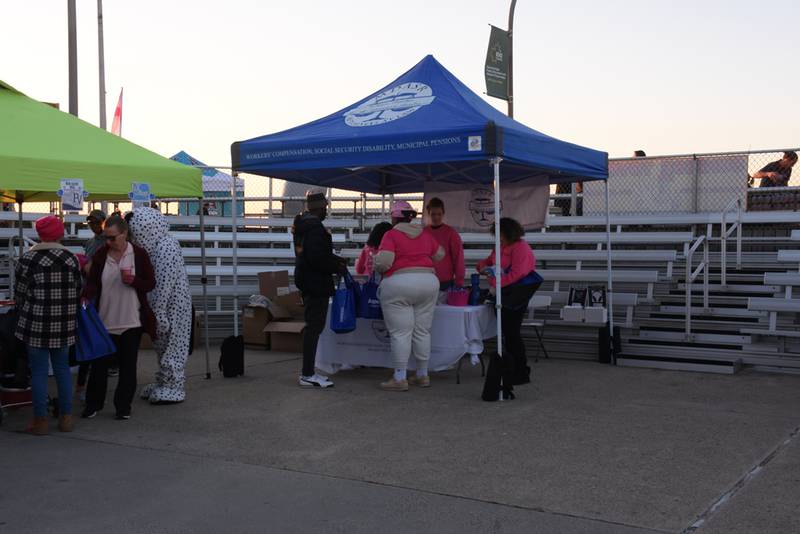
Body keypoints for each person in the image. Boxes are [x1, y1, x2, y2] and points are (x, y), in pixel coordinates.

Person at [81, 215, 156, 420]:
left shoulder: (138, 255)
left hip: (132, 321)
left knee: (128, 368)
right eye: (106, 237)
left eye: (112, 237)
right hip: (104, 321)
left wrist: (133, 280)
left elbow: (150, 283)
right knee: (98, 368)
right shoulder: (101, 255)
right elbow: (92, 282)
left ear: (124, 234)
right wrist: (86, 297)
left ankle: (123, 407)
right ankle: (93, 404)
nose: (109, 242)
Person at [14, 215, 81, 435]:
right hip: (63, 323)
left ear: (39, 234)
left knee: (40, 372)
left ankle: (40, 421)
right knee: (62, 370)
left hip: (35, 324)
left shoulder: (27, 259)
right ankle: (66, 418)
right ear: (60, 233)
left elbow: (20, 295)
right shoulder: (70, 259)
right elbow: (78, 290)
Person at [373, 200, 444, 392]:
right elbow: (440, 255)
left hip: (399, 283)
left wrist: (376, 263)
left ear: (395, 217)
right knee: (423, 331)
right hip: (428, 281)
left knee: (401, 333)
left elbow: (385, 262)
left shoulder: (391, 234)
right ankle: (422, 375)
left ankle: (399, 378)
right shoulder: (426, 234)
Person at [128, 207, 193, 404]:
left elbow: (164, 283)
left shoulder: (166, 246)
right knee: (162, 345)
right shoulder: (157, 245)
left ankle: (174, 386)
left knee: (173, 343)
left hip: (173, 305)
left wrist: (159, 311)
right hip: (163, 305)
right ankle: (164, 381)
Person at [477, 217, 540, 386]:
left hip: (514, 294)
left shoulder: (521, 248)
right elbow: (489, 261)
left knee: (512, 334)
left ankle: (520, 370)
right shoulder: (501, 246)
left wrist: (495, 281)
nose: (498, 238)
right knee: (508, 333)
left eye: (500, 235)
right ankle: (512, 369)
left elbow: (518, 274)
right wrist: (482, 266)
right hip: (502, 292)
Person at [293, 191, 346, 388]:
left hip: (307, 280)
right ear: (319, 208)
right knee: (314, 327)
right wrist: (336, 266)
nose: (326, 211)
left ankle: (308, 372)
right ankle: (307, 373)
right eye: (325, 207)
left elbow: (312, 254)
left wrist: (334, 260)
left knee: (312, 326)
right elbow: (317, 258)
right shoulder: (315, 228)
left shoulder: (302, 226)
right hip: (316, 283)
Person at [423, 198, 465, 291]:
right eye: (433, 214)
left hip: (445, 282)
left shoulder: (451, 233)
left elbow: (458, 258)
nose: (436, 217)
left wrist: (459, 282)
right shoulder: (423, 232)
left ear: (443, 213)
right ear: (428, 213)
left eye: (439, 214)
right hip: (426, 279)